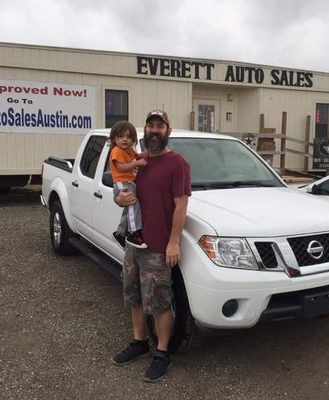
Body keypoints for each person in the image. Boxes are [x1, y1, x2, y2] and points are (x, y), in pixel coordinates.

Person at [111, 110, 191, 383]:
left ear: (168, 130)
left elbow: (182, 204)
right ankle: (138, 342)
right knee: (133, 295)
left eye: (160, 126)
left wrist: (173, 242)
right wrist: (119, 200)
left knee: (158, 301)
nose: (154, 130)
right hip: (135, 242)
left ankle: (162, 352)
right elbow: (125, 193)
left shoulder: (177, 163)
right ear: (144, 129)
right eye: (150, 125)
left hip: (158, 245)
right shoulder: (138, 160)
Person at [109, 121, 148, 248]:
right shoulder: (117, 150)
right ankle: (134, 233)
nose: (124, 139)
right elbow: (120, 167)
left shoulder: (130, 150)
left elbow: (140, 156)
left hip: (130, 182)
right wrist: (136, 163)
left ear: (133, 139)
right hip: (122, 182)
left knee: (129, 208)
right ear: (115, 139)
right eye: (121, 136)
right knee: (133, 204)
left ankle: (120, 234)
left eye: (128, 136)